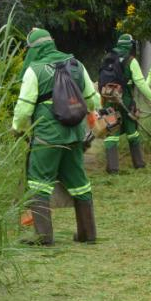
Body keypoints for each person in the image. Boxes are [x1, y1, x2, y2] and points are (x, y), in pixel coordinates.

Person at [12, 28, 101, 245]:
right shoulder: (76, 65)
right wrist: (89, 114)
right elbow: (93, 100)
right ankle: (87, 233)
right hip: (75, 135)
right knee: (79, 182)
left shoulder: (34, 70)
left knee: (39, 183)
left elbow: (24, 109)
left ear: (33, 49)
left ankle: (43, 237)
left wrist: (17, 128)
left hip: (47, 138)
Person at [102, 34, 151, 174]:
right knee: (132, 132)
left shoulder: (107, 58)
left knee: (111, 132)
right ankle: (139, 164)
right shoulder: (131, 60)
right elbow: (140, 83)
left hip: (109, 100)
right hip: (125, 100)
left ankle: (112, 169)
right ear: (130, 46)